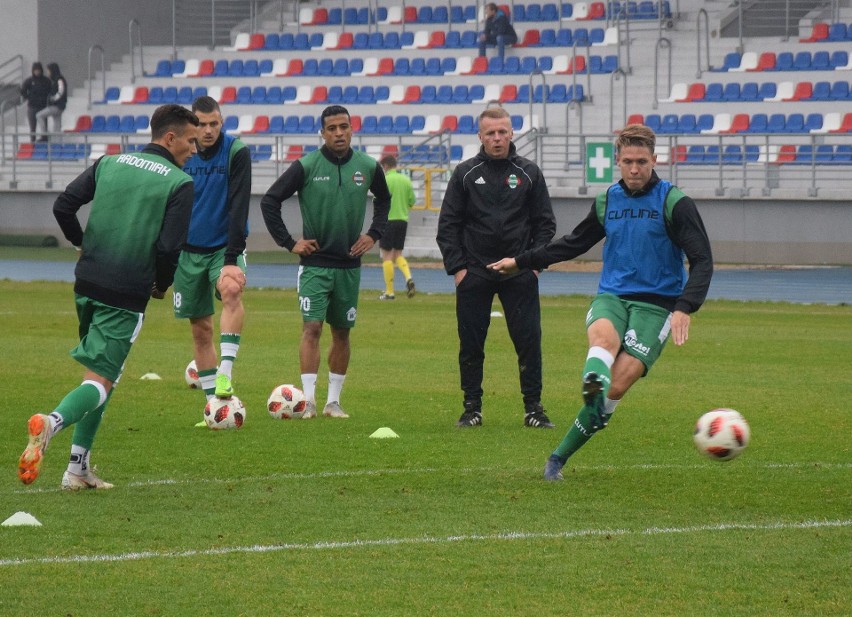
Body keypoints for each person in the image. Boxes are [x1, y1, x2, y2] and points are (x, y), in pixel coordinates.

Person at [488, 124, 714, 480]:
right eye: (628, 161)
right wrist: (522, 261)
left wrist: (686, 306)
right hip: (612, 296)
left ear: (655, 160)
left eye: (642, 161)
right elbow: (573, 243)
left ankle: (557, 458)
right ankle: (593, 383)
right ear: (617, 162)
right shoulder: (608, 199)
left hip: (656, 308)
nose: (635, 169)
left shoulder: (675, 203)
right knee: (603, 341)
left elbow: (702, 259)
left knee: (618, 387)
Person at [17, 104, 198, 490]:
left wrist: (82, 244)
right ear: (170, 138)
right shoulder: (179, 182)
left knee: (104, 376)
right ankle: (51, 424)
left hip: (86, 284)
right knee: (99, 380)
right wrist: (162, 285)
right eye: (191, 140)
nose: (195, 149)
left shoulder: (109, 163)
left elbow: (63, 205)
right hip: (126, 291)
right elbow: (169, 248)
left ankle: (78, 469)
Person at [261, 105, 390, 419]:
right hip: (315, 264)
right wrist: (290, 243)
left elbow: (384, 200)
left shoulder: (368, 166)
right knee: (312, 328)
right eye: (331, 128)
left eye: (343, 127)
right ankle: (307, 402)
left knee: (342, 333)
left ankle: (333, 402)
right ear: (322, 132)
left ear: (351, 128)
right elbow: (269, 201)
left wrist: (373, 234)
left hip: (349, 266)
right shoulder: (306, 165)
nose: (338, 133)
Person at [436, 106, 557, 429]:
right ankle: (471, 407)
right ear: (480, 136)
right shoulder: (464, 173)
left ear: (511, 132)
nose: (497, 138)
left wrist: (532, 265)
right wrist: (459, 270)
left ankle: (534, 408)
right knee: (471, 344)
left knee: (529, 341)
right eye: (490, 133)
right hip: (474, 272)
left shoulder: (529, 172)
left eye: (502, 131)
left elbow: (545, 225)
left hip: (519, 271)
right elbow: (448, 225)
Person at [174, 96, 251, 419]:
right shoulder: (180, 154)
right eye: (201, 124)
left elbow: (239, 204)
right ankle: (214, 406)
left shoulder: (236, 152)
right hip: (187, 251)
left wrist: (232, 257)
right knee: (200, 329)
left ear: (222, 122)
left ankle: (226, 374)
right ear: (192, 124)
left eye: (214, 124)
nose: (207, 131)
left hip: (223, 247)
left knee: (232, 289)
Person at [378, 154, 417, 301]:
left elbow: (378, 200)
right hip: (402, 220)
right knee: (398, 254)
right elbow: (412, 201)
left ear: (386, 166)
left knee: (387, 256)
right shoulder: (406, 180)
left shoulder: (385, 180)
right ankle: (408, 277)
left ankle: (390, 292)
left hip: (388, 220)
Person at [20, 61, 52, 142]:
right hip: (32, 106)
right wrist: (28, 97)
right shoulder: (29, 80)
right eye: (35, 70)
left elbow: (51, 91)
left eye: (38, 70)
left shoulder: (46, 80)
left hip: (43, 106)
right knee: (32, 127)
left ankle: (44, 139)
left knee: (44, 125)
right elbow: (22, 90)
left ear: (41, 70)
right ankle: (32, 141)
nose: (37, 72)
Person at [35, 62, 67, 141]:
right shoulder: (56, 80)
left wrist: (53, 98)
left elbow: (61, 91)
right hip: (58, 106)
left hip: (56, 106)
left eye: (48, 70)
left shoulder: (59, 80)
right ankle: (57, 143)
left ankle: (44, 134)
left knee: (39, 115)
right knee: (57, 125)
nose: (47, 72)